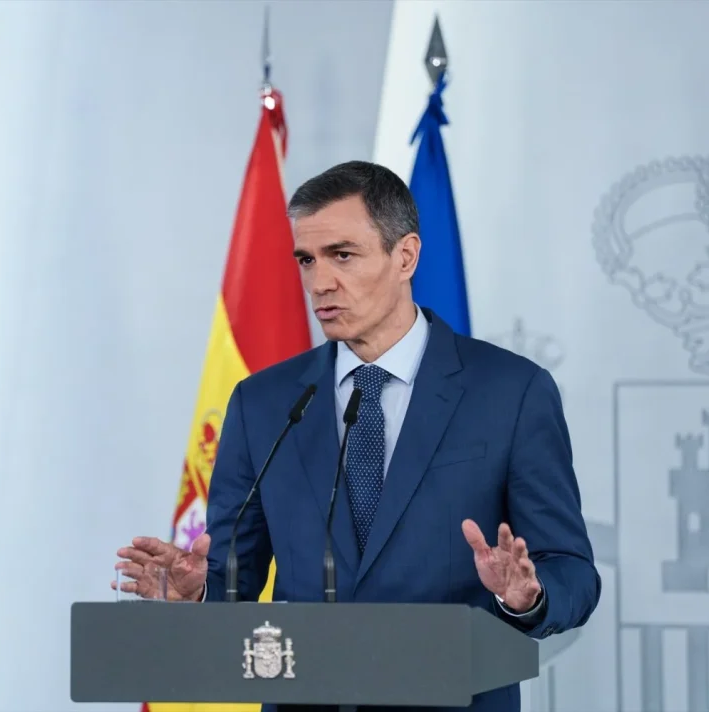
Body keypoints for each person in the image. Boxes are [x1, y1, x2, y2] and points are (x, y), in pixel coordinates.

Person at [114, 161, 601, 712]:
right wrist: (199, 592)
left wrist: (526, 599)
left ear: (405, 256)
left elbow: (573, 571)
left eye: (342, 255)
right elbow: (236, 575)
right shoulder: (264, 403)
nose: (320, 282)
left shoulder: (510, 392)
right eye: (307, 260)